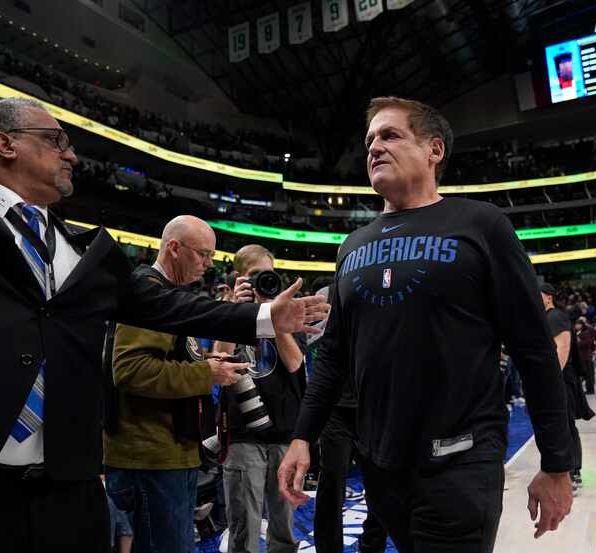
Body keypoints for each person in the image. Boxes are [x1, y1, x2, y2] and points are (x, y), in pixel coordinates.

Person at [0, 97, 328, 553]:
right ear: (5, 144)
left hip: (63, 486)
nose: (71, 155)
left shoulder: (83, 250)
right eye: (56, 140)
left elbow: (172, 307)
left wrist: (264, 317)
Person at [278, 96, 574, 553]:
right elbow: (334, 356)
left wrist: (556, 462)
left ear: (434, 150)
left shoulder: (482, 225)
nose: (374, 146)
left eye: (390, 135)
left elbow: (533, 349)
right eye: (370, 139)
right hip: (381, 466)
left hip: (460, 462)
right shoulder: (351, 245)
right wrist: (302, 436)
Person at [102, 216, 249, 553]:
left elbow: (169, 359)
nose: (209, 265)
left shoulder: (165, 294)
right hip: (149, 458)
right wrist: (205, 374)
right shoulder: (146, 293)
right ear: (174, 248)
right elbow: (129, 369)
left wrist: (207, 364)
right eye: (203, 254)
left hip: (169, 453)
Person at [213, 244, 308, 553]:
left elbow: (295, 365)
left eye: (267, 274)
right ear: (239, 279)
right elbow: (218, 360)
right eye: (254, 276)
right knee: (244, 529)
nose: (262, 282)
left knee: (284, 528)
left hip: (285, 433)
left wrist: (273, 314)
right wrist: (237, 312)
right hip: (242, 433)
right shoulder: (223, 312)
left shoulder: (288, 312)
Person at [310, 286, 387, 553]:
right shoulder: (325, 294)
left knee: (381, 487)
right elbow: (314, 345)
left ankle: (372, 546)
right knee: (331, 484)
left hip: (373, 406)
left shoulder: (385, 290)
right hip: (336, 407)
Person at [540, 284, 594, 492]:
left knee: (565, 426)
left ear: (549, 298)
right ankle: (564, 471)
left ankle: (574, 473)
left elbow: (561, 349)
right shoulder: (546, 318)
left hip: (561, 380)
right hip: (555, 379)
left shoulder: (555, 317)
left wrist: (551, 381)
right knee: (559, 425)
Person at [575, 317, 596, 394]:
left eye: (578, 324)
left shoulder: (586, 333)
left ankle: (590, 389)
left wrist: (578, 342)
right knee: (585, 374)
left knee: (588, 374)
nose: (576, 326)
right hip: (582, 356)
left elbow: (587, 343)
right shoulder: (578, 333)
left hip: (586, 356)